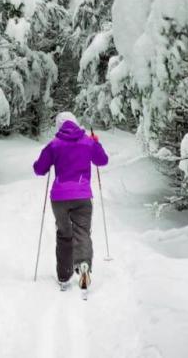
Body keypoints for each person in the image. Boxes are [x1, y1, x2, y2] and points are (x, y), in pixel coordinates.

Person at [33, 112, 109, 291]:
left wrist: (49, 159)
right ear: (75, 123)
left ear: (59, 126)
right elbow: (102, 160)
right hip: (82, 196)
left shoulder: (54, 144)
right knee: (82, 232)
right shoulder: (87, 141)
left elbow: (39, 169)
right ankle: (83, 265)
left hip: (59, 198)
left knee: (64, 234)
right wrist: (96, 142)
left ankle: (64, 275)